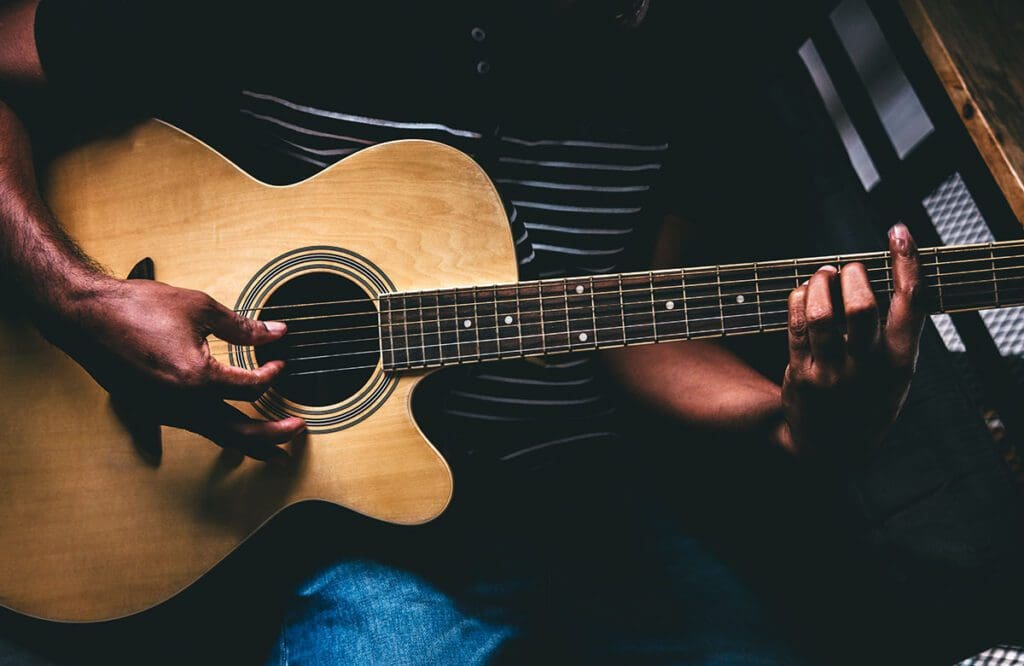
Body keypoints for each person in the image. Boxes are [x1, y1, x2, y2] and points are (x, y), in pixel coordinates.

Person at [0, 1, 926, 662]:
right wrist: (78, 302)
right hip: (351, 535)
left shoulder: (702, 43)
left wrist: (795, 422)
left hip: (593, 514)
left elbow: (631, 315)